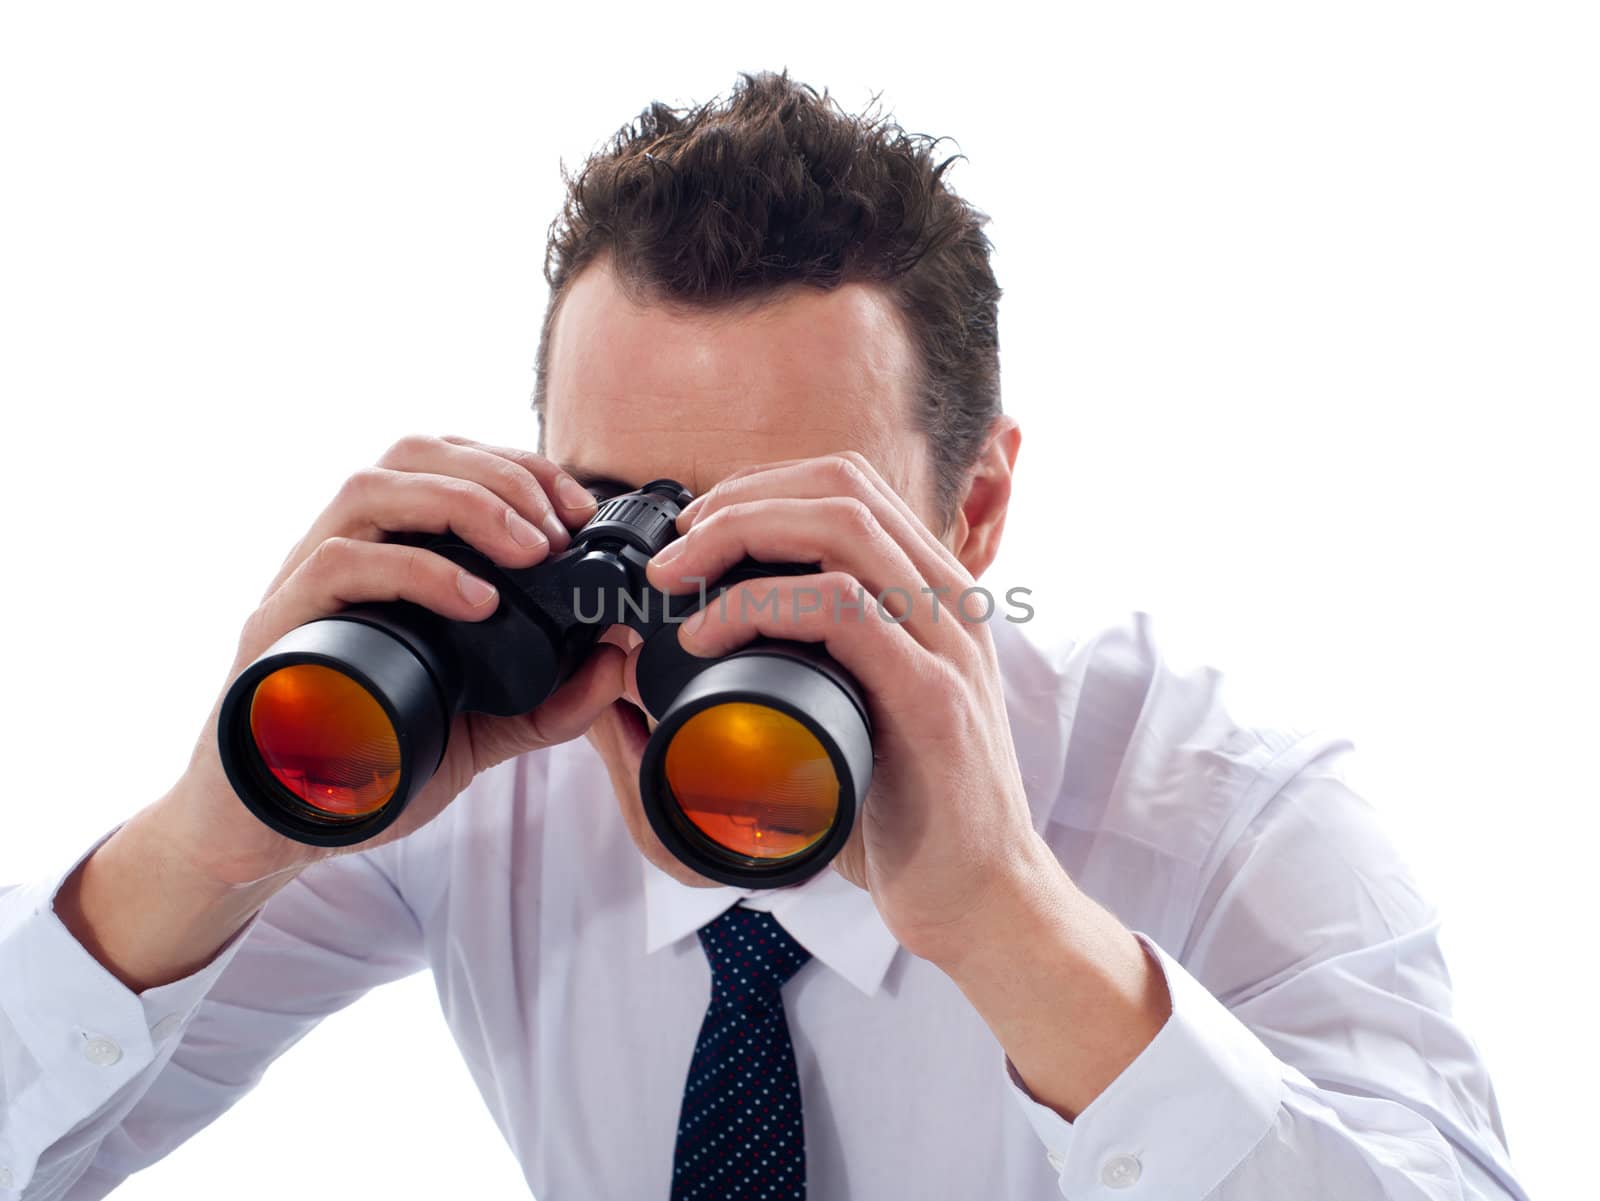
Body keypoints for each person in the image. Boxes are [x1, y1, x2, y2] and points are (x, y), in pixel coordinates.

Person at [0, 69, 1529, 1201]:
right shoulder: (492, 765)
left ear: (976, 511)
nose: (681, 607)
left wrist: (1013, 928)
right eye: (621, 513)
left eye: (789, 532)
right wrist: (202, 841)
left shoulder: (1223, 805)